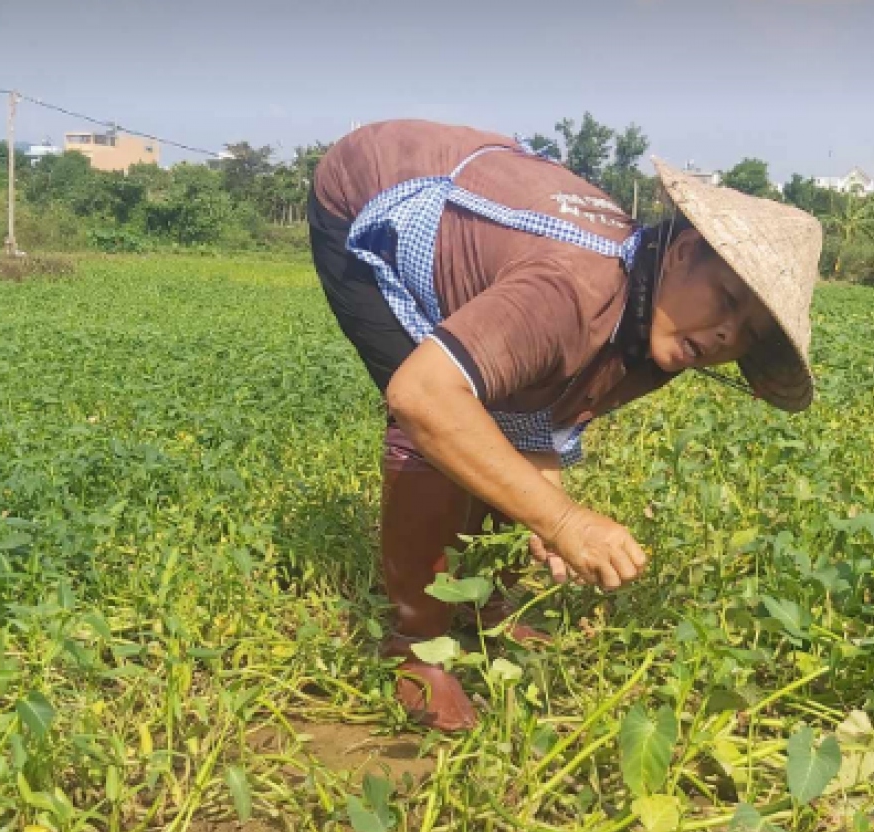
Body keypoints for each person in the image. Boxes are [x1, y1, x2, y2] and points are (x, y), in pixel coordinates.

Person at [308, 120, 821, 731]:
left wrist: (544, 504)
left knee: (493, 412)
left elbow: (542, 410)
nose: (724, 336)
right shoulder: (572, 291)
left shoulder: (659, 330)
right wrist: (563, 520)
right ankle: (416, 645)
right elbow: (424, 398)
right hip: (370, 191)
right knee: (436, 425)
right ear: (682, 255)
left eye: (749, 334)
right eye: (728, 300)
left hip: (484, 192)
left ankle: (484, 603)